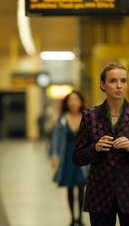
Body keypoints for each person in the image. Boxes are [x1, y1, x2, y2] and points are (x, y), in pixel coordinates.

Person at [73, 62, 129, 226]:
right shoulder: (90, 116)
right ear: (102, 85)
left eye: (123, 80)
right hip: (99, 194)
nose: (119, 86)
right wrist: (95, 148)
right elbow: (77, 157)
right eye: (113, 81)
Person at [51, 90, 87, 226]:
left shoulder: (86, 118)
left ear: (81, 102)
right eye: (71, 100)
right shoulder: (62, 119)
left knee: (82, 187)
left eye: (76, 99)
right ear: (67, 103)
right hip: (67, 157)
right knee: (70, 188)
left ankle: (81, 218)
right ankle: (72, 218)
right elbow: (56, 138)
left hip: (83, 156)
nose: (74, 103)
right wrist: (54, 155)